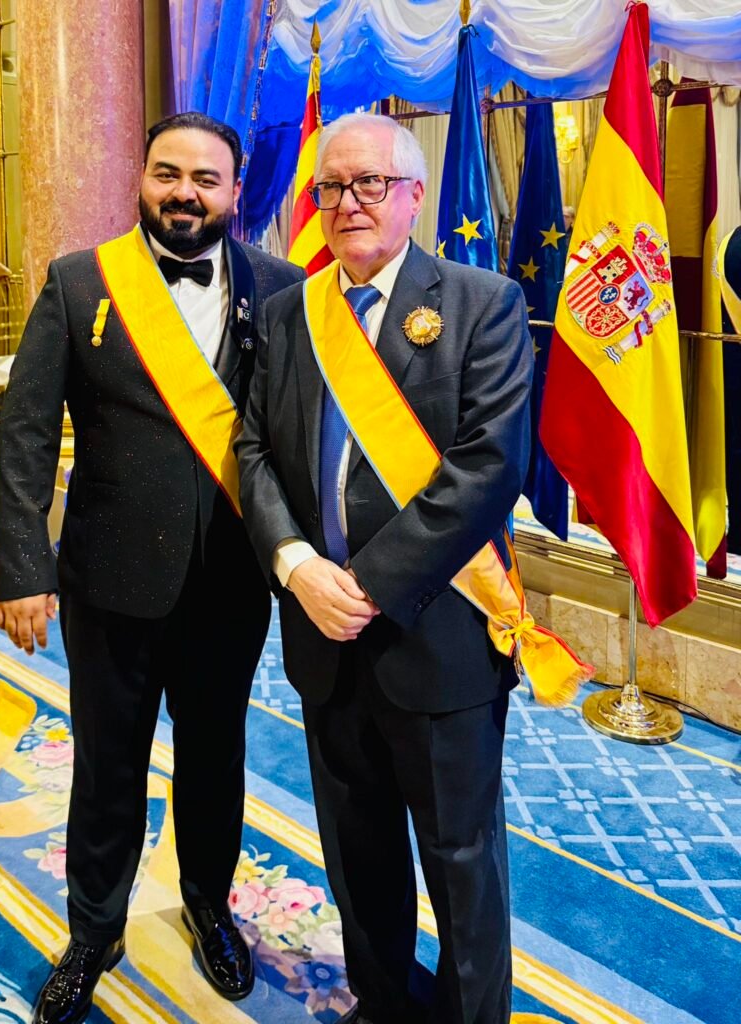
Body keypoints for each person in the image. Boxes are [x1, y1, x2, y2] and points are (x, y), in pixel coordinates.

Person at [0, 111, 303, 1024]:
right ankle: (95, 929)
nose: (184, 194)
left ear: (235, 191)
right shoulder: (81, 280)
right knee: (107, 765)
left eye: (206, 179)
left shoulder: (282, 288)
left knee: (214, 757)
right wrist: (22, 568)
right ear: (142, 178)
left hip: (229, 582)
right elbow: (24, 433)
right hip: (109, 579)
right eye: (168, 174)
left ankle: (209, 905)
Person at [237, 112, 533, 1024]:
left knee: (460, 856)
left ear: (414, 196)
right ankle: (381, 1001)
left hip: (436, 636)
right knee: (356, 845)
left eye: (371, 183)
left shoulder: (483, 302)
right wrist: (296, 565)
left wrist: (364, 586)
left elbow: (490, 467)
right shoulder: (290, 313)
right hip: (321, 634)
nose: (349, 202)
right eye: (331, 186)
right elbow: (251, 450)